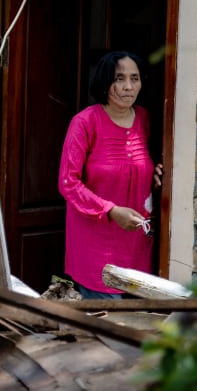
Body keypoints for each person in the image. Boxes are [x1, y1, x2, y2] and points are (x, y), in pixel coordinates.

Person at [58, 51, 163, 299]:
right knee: (106, 326)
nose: (128, 87)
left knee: (135, 323)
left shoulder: (146, 119)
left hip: (137, 245)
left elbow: (142, 167)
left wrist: (157, 175)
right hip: (96, 247)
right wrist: (110, 211)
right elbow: (68, 183)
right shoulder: (85, 122)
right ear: (105, 82)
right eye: (119, 79)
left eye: (135, 78)